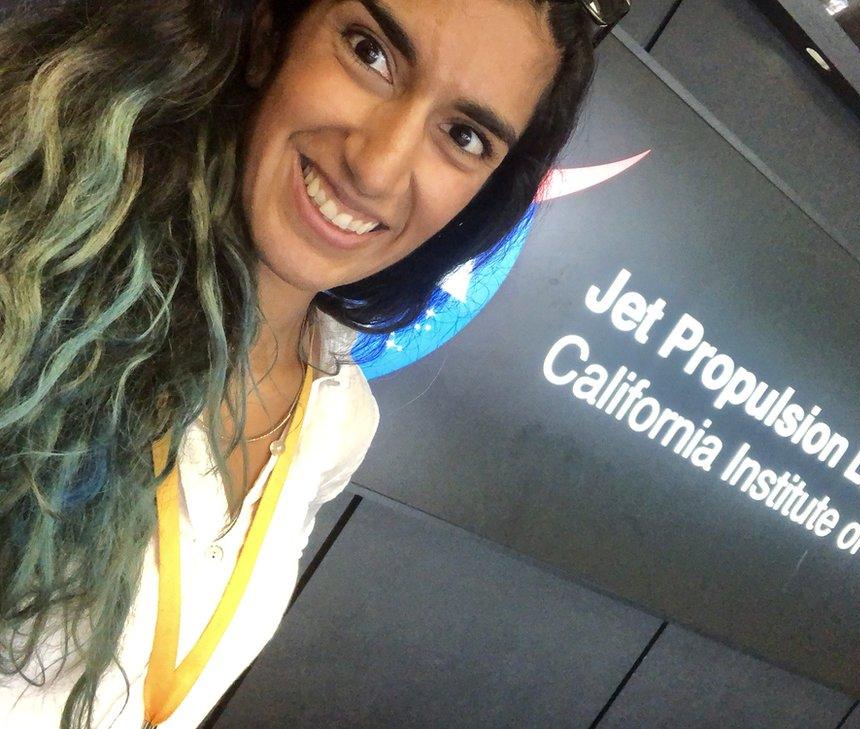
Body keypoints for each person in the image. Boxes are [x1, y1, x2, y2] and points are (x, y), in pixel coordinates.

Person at [0, 0, 611, 726]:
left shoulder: (338, 419)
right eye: (371, 52)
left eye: (464, 135)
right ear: (270, 35)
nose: (378, 165)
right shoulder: (28, 272)